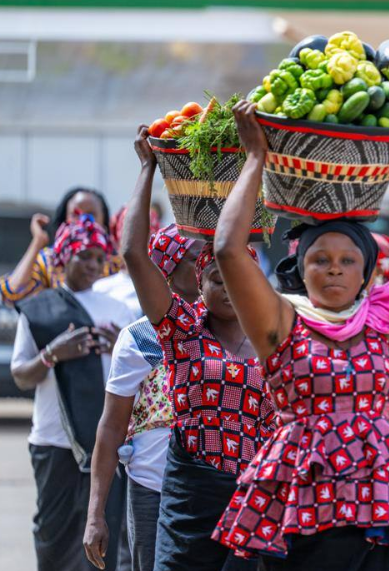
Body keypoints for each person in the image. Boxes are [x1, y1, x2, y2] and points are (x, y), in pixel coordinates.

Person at [211, 101, 389, 569]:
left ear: (365, 272)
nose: (334, 268)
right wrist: (255, 158)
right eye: (320, 260)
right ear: (301, 270)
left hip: (377, 503)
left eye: (348, 260)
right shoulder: (281, 322)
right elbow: (229, 250)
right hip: (299, 500)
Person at [118, 125, 276, 571]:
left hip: (254, 503)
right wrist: (147, 168)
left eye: (238, 281)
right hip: (189, 503)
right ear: (198, 284)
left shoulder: (274, 336)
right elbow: (133, 254)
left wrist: (256, 158)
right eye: (216, 280)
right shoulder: (182, 333)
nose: (228, 289)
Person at [10, 214, 137, 571]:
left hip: (105, 442)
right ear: (64, 257)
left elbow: (145, 374)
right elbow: (20, 375)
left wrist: (118, 346)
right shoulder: (40, 309)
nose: (94, 265)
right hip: (54, 441)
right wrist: (53, 353)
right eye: (85, 256)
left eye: (99, 257)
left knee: (102, 537)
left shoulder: (119, 310)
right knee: (53, 537)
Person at [84, 225, 202, 571]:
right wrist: (95, 515)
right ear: (168, 269)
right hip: (152, 488)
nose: (207, 266)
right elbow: (111, 427)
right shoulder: (140, 338)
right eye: (195, 259)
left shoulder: (225, 329)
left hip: (214, 486)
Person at [0, 187, 119, 306]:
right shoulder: (49, 260)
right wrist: (38, 242)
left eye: (91, 214)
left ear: (104, 223)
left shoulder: (116, 263)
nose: (83, 221)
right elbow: (12, 294)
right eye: (75, 214)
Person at [93, 206, 164, 319]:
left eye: (146, 237)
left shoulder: (167, 287)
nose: (139, 246)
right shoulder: (100, 289)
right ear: (118, 241)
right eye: (132, 237)